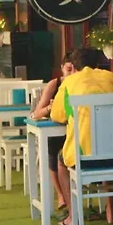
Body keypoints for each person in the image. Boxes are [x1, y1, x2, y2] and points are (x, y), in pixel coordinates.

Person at [51, 48, 113, 225]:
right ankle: (112, 211)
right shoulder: (112, 79)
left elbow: (57, 115)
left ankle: (73, 216)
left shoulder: (69, 82)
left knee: (61, 162)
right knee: (109, 147)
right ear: (98, 63)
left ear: (74, 66)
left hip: (82, 157)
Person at [31, 51, 76, 214]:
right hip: (55, 132)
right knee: (53, 145)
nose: (71, 73)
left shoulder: (80, 85)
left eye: (74, 70)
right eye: (68, 69)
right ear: (62, 68)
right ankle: (61, 194)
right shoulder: (54, 85)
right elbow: (36, 113)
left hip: (75, 133)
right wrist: (51, 107)